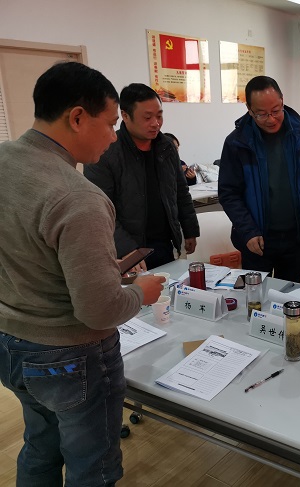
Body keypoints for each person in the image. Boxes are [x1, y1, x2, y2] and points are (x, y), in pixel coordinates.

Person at [0, 62, 164, 486]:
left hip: (10, 340)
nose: (112, 136)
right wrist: (141, 293)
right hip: (69, 354)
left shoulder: (4, 161)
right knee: (93, 467)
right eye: (110, 124)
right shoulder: (77, 196)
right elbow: (99, 310)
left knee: (40, 446)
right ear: (76, 117)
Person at [218, 76, 300, 282]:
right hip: (257, 240)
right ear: (249, 109)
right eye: (262, 114)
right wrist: (248, 231)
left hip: (295, 238)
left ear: (282, 101)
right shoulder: (237, 143)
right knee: (256, 296)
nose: (271, 119)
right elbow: (229, 193)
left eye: (276, 110)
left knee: (288, 294)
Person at [85, 83, 200, 270]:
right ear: (125, 116)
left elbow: (180, 191)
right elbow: (99, 210)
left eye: (159, 116)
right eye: (147, 117)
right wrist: (127, 249)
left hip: (164, 244)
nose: (156, 123)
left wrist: (189, 230)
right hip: (127, 251)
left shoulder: (166, 147)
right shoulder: (105, 152)